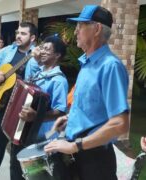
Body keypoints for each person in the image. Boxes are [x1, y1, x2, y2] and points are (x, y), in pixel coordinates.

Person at [44, 5, 129, 180]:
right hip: (78, 154)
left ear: (97, 29)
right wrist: (70, 118)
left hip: (95, 160)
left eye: (80, 26)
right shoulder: (87, 63)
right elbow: (92, 108)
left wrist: (76, 146)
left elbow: (120, 123)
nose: (75, 32)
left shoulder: (110, 66)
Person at [0, 22, 40, 180]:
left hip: (22, 109)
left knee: (18, 146)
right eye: (18, 32)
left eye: (23, 33)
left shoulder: (37, 56)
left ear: (33, 38)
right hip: (2, 106)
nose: (18, 36)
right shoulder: (8, 50)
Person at [18, 35, 69, 180]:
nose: (43, 52)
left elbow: (60, 111)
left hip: (45, 136)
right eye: (42, 48)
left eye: (47, 49)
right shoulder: (38, 74)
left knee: (41, 174)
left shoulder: (59, 80)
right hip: (31, 132)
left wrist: (37, 116)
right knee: (29, 173)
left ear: (57, 55)